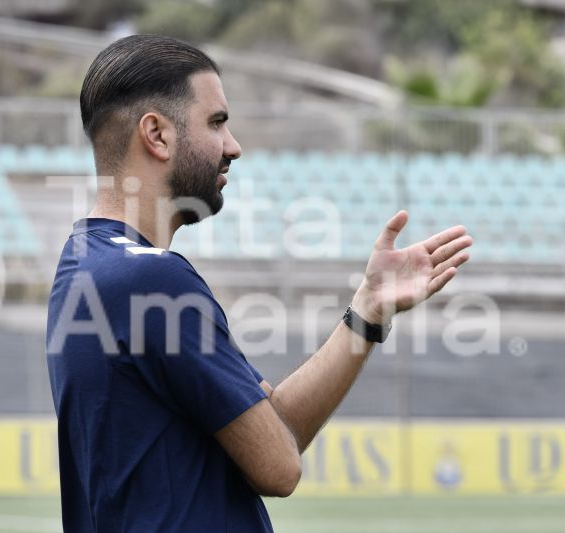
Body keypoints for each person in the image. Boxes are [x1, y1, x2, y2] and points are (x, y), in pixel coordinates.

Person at [46, 34, 473, 532]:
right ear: (157, 135)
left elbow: (274, 427)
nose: (233, 146)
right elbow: (279, 466)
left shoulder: (83, 265)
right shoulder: (152, 279)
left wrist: (369, 309)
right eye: (217, 123)